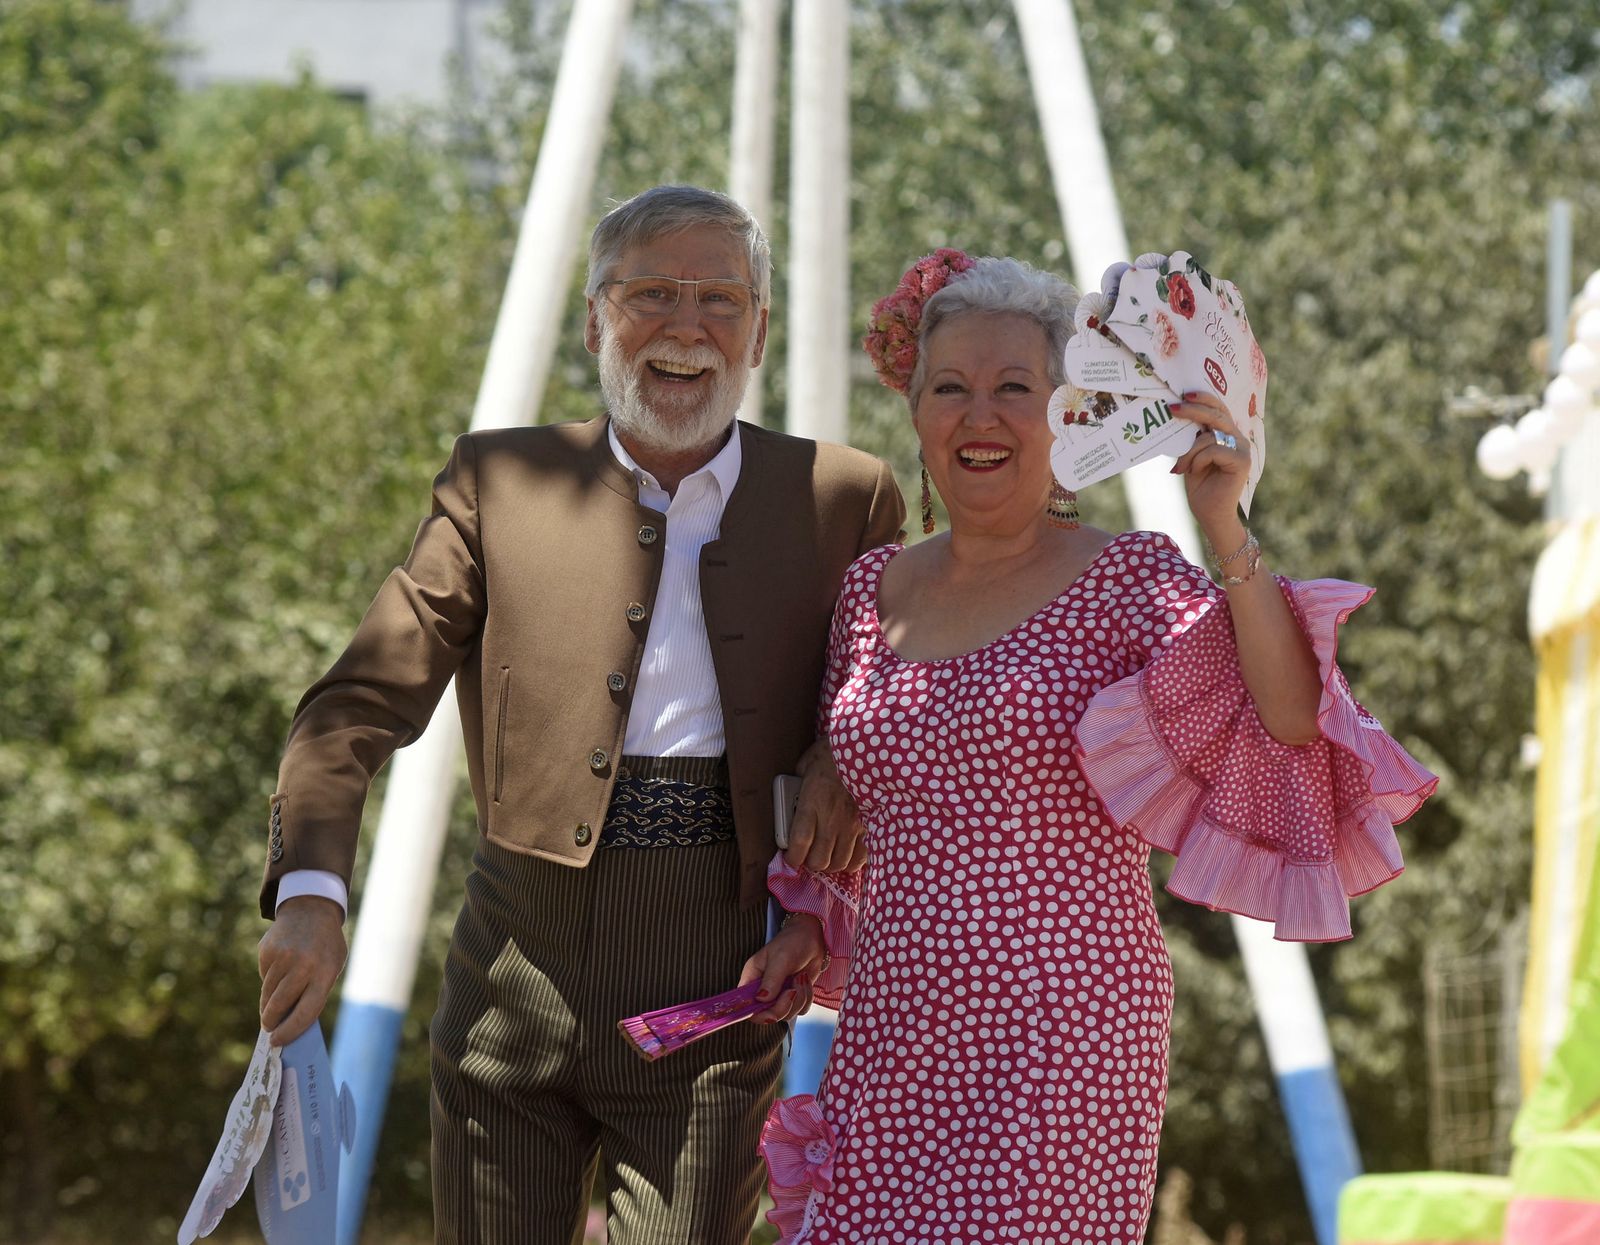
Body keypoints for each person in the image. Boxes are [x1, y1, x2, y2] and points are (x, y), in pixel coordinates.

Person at [254, 184, 904, 1245]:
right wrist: (312, 893)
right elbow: (355, 701)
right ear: (594, 319)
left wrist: (837, 756)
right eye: (651, 293)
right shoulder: (498, 479)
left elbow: (893, 691)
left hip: (715, 997)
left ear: (761, 331)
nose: (685, 327)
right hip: (509, 985)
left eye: (718, 299)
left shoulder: (846, 495)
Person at [747, 253, 1438, 1244]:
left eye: (1013, 389)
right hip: (892, 1025)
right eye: (950, 388)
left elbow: (1287, 717)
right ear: (915, 412)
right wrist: (806, 930)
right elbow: (863, 808)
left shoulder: (1126, 580)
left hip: (1061, 1026)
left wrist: (1220, 521)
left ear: (1068, 410)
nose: (978, 415)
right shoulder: (865, 592)